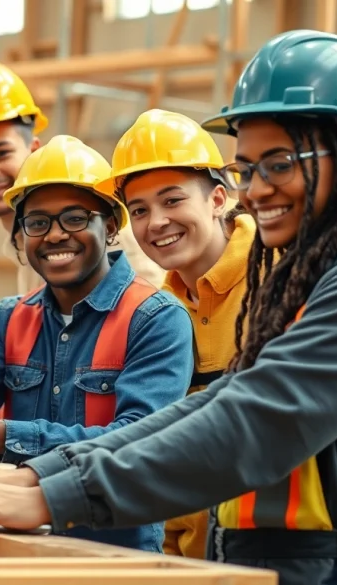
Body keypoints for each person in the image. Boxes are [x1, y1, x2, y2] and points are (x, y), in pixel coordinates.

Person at [0, 30, 337, 585]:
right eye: (249, 169)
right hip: (275, 564)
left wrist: (56, 491)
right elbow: (219, 404)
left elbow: (254, 427)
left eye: (280, 164)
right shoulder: (313, 280)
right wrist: (45, 475)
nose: (259, 189)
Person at [0, 135, 195, 551]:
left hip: (115, 556)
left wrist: (5, 436)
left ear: (111, 225)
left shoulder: (156, 319)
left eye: (75, 218)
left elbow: (139, 443)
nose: (55, 235)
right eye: (38, 223)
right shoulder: (8, 318)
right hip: (15, 548)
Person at [94, 108, 253, 559]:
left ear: (219, 199)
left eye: (173, 200)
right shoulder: (158, 315)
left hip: (271, 556)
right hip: (188, 557)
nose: (156, 222)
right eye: (139, 210)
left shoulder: (278, 281)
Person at [0, 58, 164, 294]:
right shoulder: (22, 241)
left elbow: (154, 312)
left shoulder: (101, 232)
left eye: (1, 153)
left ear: (33, 149)